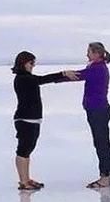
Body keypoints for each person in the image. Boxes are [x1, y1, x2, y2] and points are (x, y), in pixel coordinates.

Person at [11, 51, 79, 190]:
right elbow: (43, 79)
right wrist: (63, 74)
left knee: (28, 149)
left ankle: (26, 179)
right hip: (25, 119)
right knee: (23, 150)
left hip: (33, 119)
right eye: (31, 63)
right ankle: (23, 181)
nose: (33, 66)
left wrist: (63, 75)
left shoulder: (27, 77)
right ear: (23, 63)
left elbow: (41, 80)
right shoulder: (22, 78)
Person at [72, 42, 110, 189]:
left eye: (89, 52)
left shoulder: (97, 68)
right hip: (97, 109)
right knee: (101, 141)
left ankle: (105, 176)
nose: (87, 54)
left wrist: (60, 76)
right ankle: (106, 174)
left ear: (97, 54)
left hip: (98, 110)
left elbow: (79, 75)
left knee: (101, 142)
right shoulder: (95, 67)